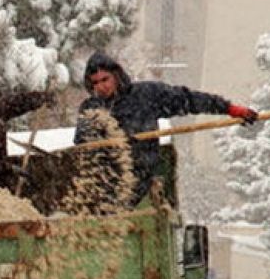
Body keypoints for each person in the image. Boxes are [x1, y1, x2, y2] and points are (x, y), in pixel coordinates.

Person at [74, 51, 258, 203]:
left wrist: (230, 109)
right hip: (105, 187)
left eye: (105, 79)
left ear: (116, 76)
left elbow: (189, 99)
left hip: (142, 182)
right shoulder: (90, 109)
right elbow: (82, 148)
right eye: (95, 83)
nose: (101, 87)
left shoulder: (145, 96)